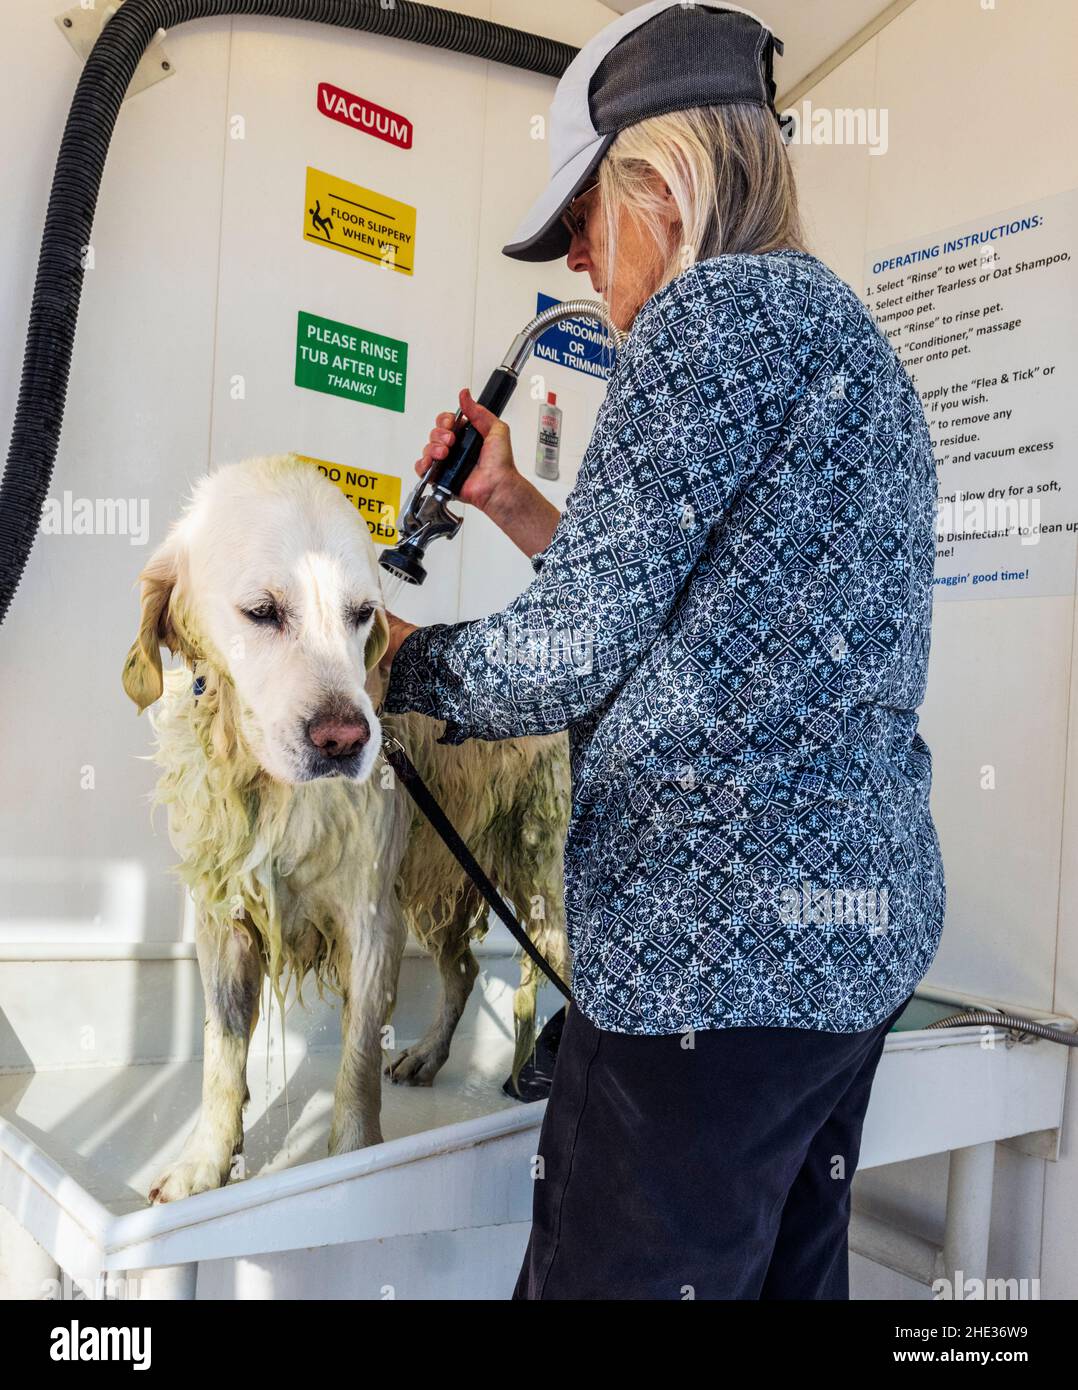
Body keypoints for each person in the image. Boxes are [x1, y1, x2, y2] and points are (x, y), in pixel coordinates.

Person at [378, 0, 946, 1300]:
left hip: (709, 970)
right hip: (846, 959)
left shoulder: (705, 322)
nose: (580, 265)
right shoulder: (846, 347)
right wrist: (516, 503)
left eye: (584, 222)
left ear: (666, 184)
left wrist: (391, 660)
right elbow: (700, 622)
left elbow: (575, 646)